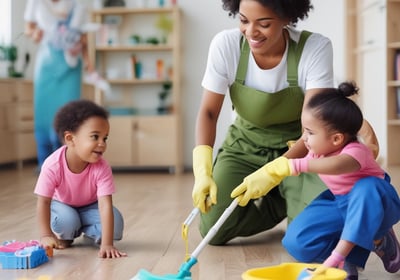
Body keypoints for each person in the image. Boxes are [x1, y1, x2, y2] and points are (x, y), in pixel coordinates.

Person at [192, 0, 335, 245]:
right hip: (245, 146)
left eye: (264, 24)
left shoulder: (314, 48)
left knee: (310, 238)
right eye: (244, 20)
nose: (251, 32)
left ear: (287, 19)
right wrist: (202, 170)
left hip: (301, 149)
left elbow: (315, 128)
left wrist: (277, 171)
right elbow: (208, 112)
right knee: (213, 230)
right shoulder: (227, 45)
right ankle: (279, 203)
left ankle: (292, 197)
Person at [231, 81, 400, 279]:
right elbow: (297, 164)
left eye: (310, 133)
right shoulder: (317, 152)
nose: (304, 139)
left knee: (365, 188)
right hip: (341, 202)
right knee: (296, 241)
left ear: (336, 139)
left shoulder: (356, 151)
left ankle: (375, 240)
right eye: (304, 131)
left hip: (376, 202)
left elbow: (338, 165)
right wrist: (266, 176)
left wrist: (295, 165)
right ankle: (348, 258)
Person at [34, 99, 127, 259]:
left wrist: (107, 244)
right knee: (67, 220)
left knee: (116, 224)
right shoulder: (52, 165)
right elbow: (43, 202)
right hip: (62, 205)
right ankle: (67, 235)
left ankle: (89, 233)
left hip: (90, 206)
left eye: (105, 138)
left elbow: (105, 205)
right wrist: (46, 234)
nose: (102, 144)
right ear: (70, 139)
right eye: (95, 136)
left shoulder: (102, 167)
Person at [24, 0, 106, 170]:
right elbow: (29, 29)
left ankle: (67, 166)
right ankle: (46, 166)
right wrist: (35, 34)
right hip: (46, 64)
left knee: (70, 114)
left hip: (71, 66)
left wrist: (89, 65)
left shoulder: (77, 4)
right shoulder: (36, 2)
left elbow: (83, 37)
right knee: (44, 112)